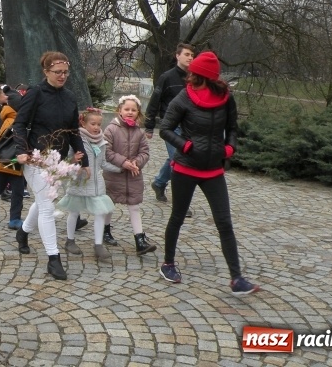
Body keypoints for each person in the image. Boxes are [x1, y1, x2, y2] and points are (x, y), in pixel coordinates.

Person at [158, 51, 260, 296]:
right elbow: (165, 128)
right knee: (177, 217)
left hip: (213, 170)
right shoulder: (184, 98)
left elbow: (233, 129)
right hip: (185, 168)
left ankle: (236, 279)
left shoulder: (226, 98)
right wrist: (186, 146)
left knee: (224, 222)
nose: (190, 74)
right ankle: (168, 264)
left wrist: (229, 148)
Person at [14, 51, 87, 281]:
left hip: (59, 161)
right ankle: (53, 259)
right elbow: (19, 123)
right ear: (46, 72)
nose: (62, 76)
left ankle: (23, 232)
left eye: (65, 72)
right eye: (57, 72)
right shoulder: (36, 93)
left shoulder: (70, 97)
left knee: (42, 200)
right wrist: (21, 151)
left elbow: (73, 130)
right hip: (35, 158)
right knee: (47, 206)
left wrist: (81, 158)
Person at [57, 108, 116, 260]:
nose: (96, 127)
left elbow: (103, 163)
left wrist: (121, 169)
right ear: (83, 122)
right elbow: (65, 162)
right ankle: (70, 240)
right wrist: (73, 161)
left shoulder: (102, 141)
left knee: (100, 213)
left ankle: (98, 245)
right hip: (79, 183)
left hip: (96, 185)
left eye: (99, 124)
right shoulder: (76, 140)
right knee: (74, 211)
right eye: (93, 123)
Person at [145, 43, 196, 216]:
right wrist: (149, 125)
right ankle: (181, 204)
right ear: (177, 56)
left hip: (188, 126)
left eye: (192, 55)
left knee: (174, 158)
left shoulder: (194, 78)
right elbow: (154, 101)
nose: (190, 57)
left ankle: (159, 183)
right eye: (187, 54)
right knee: (179, 161)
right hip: (171, 127)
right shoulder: (166, 77)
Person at [103, 95, 157, 256]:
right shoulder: (111, 129)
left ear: (138, 112)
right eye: (127, 109)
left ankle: (139, 240)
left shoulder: (139, 132)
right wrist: (123, 162)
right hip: (114, 174)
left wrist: (136, 163)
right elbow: (106, 151)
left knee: (134, 206)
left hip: (134, 176)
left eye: (133, 110)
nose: (130, 112)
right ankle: (105, 231)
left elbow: (145, 152)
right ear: (119, 110)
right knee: (109, 205)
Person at [0, 89, 28, 229]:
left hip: (17, 163)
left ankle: (14, 218)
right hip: (2, 162)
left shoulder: (22, 120)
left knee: (18, 191)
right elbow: (1, 143)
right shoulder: (11, 120)